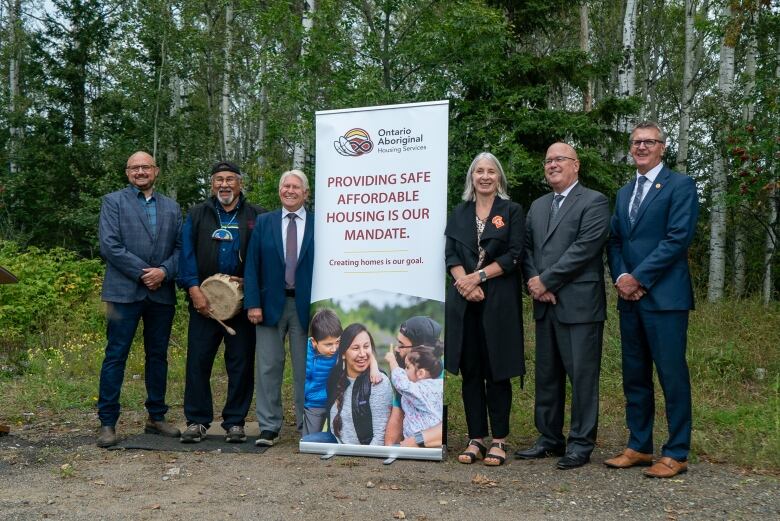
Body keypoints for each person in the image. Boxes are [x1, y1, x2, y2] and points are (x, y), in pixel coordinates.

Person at [605, 121, 699, 478]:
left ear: (662, 147)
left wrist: (639, 278)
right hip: (630, 299)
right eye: (636, 142)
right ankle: (639, 445)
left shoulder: (680, 185)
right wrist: (621, 278)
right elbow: (615, 241)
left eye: (649, 142)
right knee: (635, 375)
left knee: (671, 375)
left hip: (665, 299)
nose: (641, 147)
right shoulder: (625, 193)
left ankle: (677, 452)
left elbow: (677, 238)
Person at [515, 143, 610, 469]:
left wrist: (547, 281)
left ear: (576, 165)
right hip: (545, 304)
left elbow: (585, 248)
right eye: (548, 160)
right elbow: (526, 249)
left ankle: (581, 444)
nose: (552, 164)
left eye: (559, 159)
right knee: (547, 375)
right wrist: (534, 282)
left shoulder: (594, 201)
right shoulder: (539, 206)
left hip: (580, 305)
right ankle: (549, 438)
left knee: (582, 376)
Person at [96, 151, 182, 448]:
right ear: (127, 172)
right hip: (123, 292)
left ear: (156, 171)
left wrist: (164, 272)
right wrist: (144, 273)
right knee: (115, 356)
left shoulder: (172, 207)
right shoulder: (113, 202)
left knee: (157, 356)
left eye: (146, 167)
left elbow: (182, 249)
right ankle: (108, 423)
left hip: (161, 294)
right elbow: (109, 245)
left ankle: (156, 417)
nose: (141, 171)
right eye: (135, 167)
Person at [444, 152, 525, 466]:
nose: (485, 176)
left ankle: (499, 440)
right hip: (465, 306)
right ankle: (476, 437)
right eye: (479, 171)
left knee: (497, 371)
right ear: (472, 178)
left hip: (499, 303)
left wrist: (477, 277)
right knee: (471, 373)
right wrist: (464, 283)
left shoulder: (512, 210)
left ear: (499, 178)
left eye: (491, 171)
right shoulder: (460, 212)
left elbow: (514, 255)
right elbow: (450, 254)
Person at [177, 161, 265, 444]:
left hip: (241, 306)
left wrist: (248, 287)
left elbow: (262, 258)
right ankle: (197, 421)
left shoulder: (256, 216)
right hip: (204, 303)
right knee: (198, 362)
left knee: (240, 363)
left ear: (240, 183)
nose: (224, 184)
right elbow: (186, 254)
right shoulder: (197, 214)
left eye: (230, 179)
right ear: (212, 184)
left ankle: (235, 421)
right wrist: (193, 289)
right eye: (218, 179)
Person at [244, 169, 314, 447]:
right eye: (286, 186)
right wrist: (252, 303)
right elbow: (252, 264)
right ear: (279, 191)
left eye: (296, 187)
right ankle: (269, 426)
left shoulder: (320, 223)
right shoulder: (264, 222)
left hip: (306, 306)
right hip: (270, 305)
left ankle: (307, 426)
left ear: (305, 193)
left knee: (305, 369)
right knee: (268, 367)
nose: (290, 190)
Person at [303, 309, 381, 436]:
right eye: (328, 345)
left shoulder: (339, 347)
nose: (334, 348)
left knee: (334, 434)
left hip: (335, 401)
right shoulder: (307, 354)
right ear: (314, 342)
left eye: (338, 342)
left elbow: (364, 351)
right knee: (310, 437)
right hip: (314, 404)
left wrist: (374, 367)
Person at [325, 323, 392, 445]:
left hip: (364, 454)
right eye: (355, 348)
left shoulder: (377, 381)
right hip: (337, 446)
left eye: (366, 346)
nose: (362, 354)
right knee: (309, 441)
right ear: (343, 353)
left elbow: (380, 438)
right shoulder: (335, 378)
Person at [384, 316, 444, 448]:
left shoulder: (444, 377)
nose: (396, 349)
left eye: (401, 345)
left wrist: (417, 440)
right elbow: (397, 414)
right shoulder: (407, 373)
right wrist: (389, 449)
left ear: (420, 348)